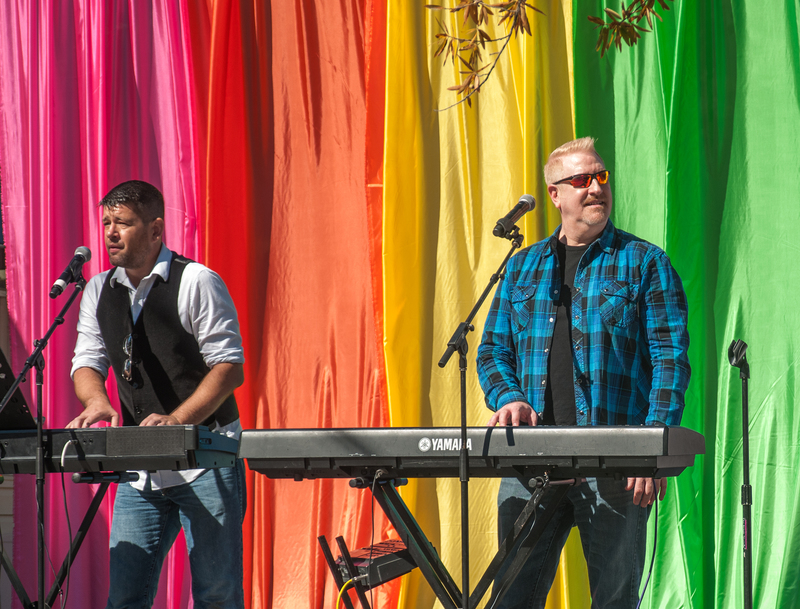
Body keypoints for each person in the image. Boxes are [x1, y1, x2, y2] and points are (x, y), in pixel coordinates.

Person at [476, 137, 690, 609]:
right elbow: (491, 349)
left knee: (614, 601)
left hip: (614, 463)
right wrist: (507, 396)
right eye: (581, 180)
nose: (595, 188)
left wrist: (649, 447)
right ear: (554, 194)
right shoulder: (523, 268)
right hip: (531, 462)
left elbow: (670, 360)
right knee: (511, 598)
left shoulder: (644, 263)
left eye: (601, 177)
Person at [67, 180, 246, 609]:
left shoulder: (197, 280)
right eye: (106, 222)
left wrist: (179, 420)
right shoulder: (97, 289)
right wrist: (96, 400)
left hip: (208, 460)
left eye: (123, 223)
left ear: (155, 229)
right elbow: (87, 361)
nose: (110, 232)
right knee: (125, 597)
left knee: (216, 595)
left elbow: (229, 368)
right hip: (141, 468)